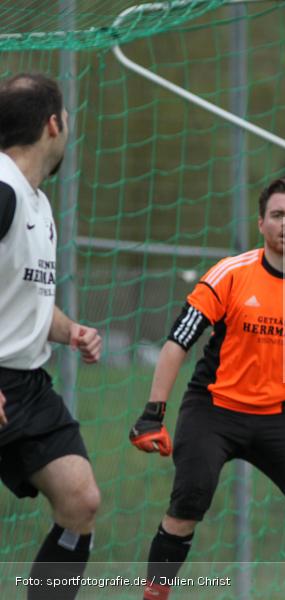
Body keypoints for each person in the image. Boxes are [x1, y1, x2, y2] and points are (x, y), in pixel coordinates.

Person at [130, 176, 285, 600]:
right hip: (213, 410)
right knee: (190, 501)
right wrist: (152, 413)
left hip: (275, 417)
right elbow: (176, 343)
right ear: (261, 223)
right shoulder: (229, 274)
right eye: (277, 214)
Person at [0, 72, 103, 600]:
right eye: (66, 121)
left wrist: (70, 330)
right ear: (53, 124)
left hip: (25, 386)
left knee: (80, 498)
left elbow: (25, 295)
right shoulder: (2, 190)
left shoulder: (35, 200)